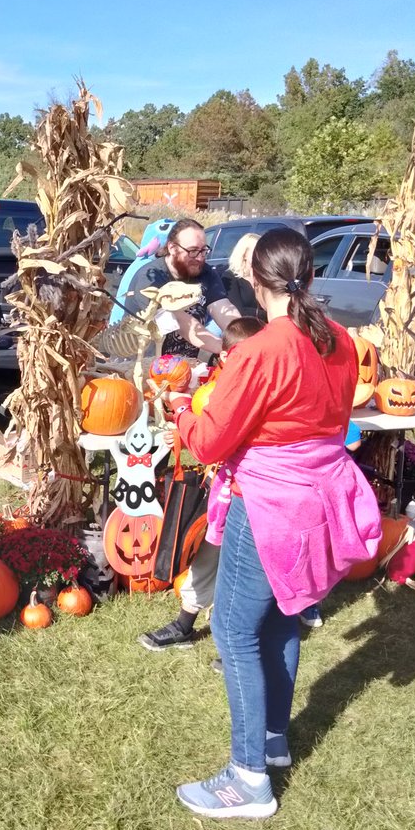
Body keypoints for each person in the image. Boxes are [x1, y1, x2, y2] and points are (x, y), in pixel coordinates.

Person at [166, 228, 381, 819]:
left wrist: (181, 411)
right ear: (309, 276)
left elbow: (209, 442)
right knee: (284, 617)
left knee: (234, 630)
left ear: (256, 282)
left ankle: (247, 779)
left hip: (269, 503)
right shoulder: (340, 339)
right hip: (317, 498)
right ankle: (273, 739)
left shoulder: (262, 350)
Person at [139, 315, 265, 654]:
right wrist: (183, 431)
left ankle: (243, 645)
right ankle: (185, 623)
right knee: (208, 554)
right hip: (225, 488)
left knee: (249, 568)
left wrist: (183, 415)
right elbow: (208, 434)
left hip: (257, 492)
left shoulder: (264, 386)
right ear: (225, 356)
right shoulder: (218, 387)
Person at [150, 218, 242, 360]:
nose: (199, 258)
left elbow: (223, 308)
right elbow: (182, 323)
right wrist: (227, 348)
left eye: (203, 250)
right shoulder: (152, 276)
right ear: (172, 248)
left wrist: (243, 338)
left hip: (187, 364)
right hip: (148, 364)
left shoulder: (206, 272)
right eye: (193, 251)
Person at [225, 232, 265, 320]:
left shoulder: (265, 275)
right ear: (244, 254)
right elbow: (238, 310)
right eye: (256, 251)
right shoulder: (230, 277)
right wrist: (269, 314)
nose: (260, 254)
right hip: (245, 325)